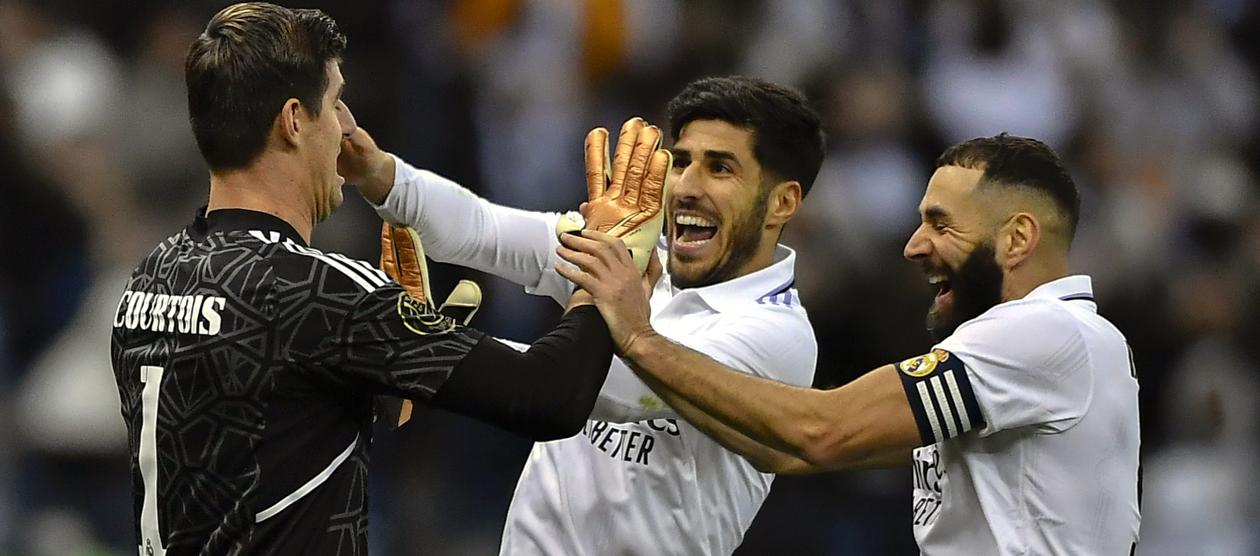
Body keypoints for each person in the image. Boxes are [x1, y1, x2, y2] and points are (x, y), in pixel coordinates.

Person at [109, 3, 653, 554]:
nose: (347, 124)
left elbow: (264, 427)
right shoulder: (318, 290)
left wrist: (390, 364)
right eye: (337, 101)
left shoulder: (149, 278)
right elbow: (548, 395)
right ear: (294, 120)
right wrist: (601, 262)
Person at [560, 134, 1143, 554]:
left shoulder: (1047, 331)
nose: (914, 245)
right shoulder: (1048, 357)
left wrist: (639, 335)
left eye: (941, 224)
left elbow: (822, 431)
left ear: (1017, 238)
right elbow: (786, 453)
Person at [340, 76, 826, 555]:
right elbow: (482, 229)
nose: (685, 187)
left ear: (782, 202)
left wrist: (422, 346)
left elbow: (608, 389)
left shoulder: (777, 335)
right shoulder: (630, 250)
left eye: (720, 169)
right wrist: (377, 172)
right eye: (680, 162)